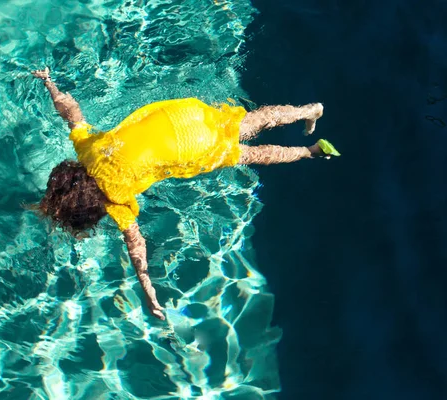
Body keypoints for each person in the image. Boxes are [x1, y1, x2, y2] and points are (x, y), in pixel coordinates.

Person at [30, 67, 340, 320]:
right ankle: (310, 110)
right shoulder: (88, 151)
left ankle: (309, 151)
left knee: (249, 155)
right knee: (251, 122)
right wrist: (49, 82)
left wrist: (147, 288)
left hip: (194, 146)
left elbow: (136, 244)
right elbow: (71, 112)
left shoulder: (115, 200)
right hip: (181, 116)